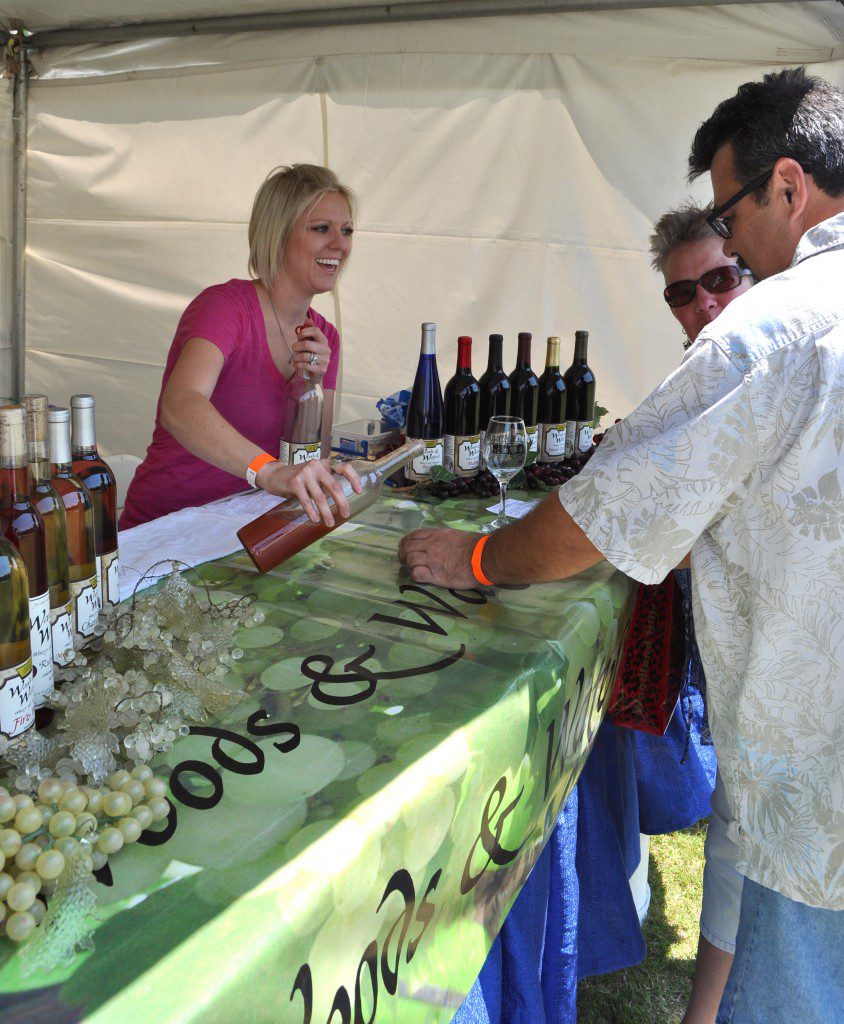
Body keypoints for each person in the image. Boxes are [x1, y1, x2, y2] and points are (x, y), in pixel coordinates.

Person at [399, 67, 843, 1024]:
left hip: (825, 790)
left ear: (787, 187)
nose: (724, 242)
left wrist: (475, 561)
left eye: (727, 218)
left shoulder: (772, 329)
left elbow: (600, 516)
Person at [120, 163, 361, 531]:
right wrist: (268, 472)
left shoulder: (325, 336)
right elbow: (180, 404)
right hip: (168, 529)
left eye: (346, 230)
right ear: (278, 234)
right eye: (321, 229)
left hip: (245, 530)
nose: (339, 244)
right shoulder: (225, 307)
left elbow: (311, 454)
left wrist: (312, 385)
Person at [649, 202, 751, 1024]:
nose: (703, 305)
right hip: (749, 666)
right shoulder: (704, 370)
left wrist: (483, 561)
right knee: (738, 829)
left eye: (719, 279)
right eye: (684, 294)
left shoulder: (769, 362)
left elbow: (674, 535)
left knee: (745, 828)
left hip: (793, 664)